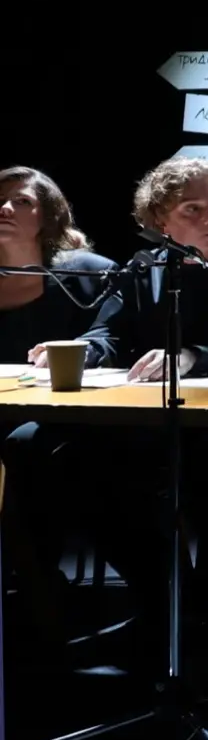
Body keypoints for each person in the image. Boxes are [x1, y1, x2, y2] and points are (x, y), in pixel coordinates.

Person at [53, 158, 208, 639]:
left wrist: (193, 357)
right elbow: (109, 331)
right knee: (75, 461)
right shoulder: (144, 268)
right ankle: (170, 594)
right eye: (193, 209)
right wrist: (83, 350)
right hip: (150, 425)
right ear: (160, 220)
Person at [1, 167, 116, 613]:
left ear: (49, 216)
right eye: (0, 200)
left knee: (25, 447)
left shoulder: (89, 275)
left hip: (70, 417)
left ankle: (36, 587)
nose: (5, 208)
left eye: (22, 201)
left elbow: (114, 341)